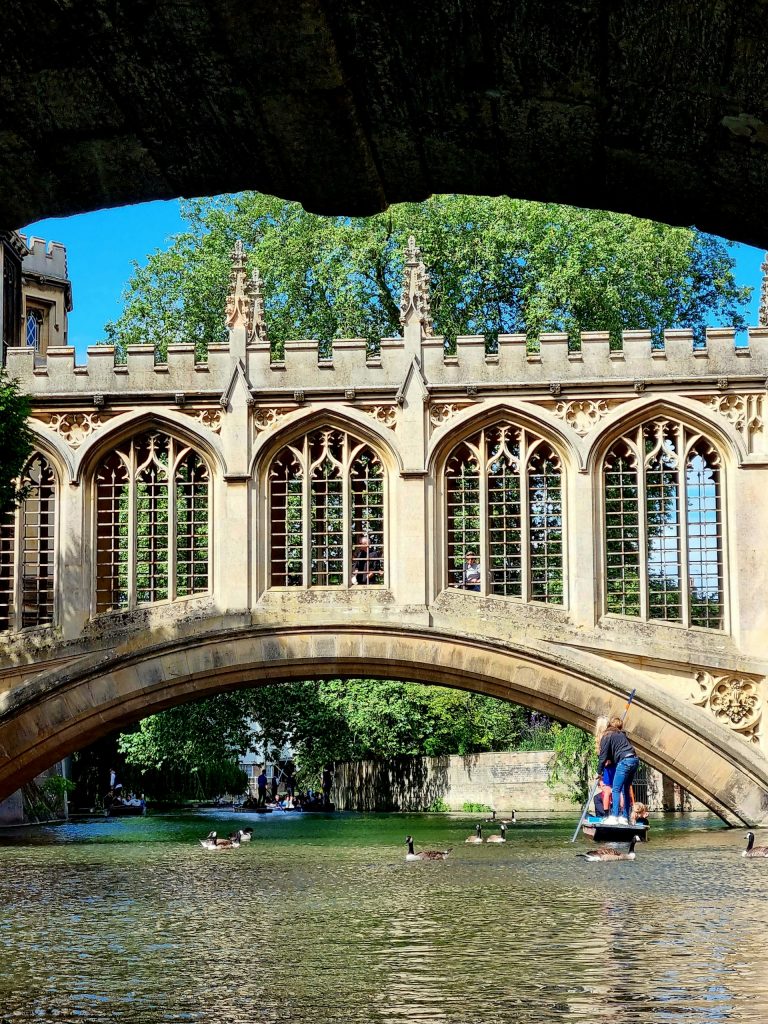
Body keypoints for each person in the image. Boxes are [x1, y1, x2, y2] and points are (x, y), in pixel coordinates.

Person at [597, 716, 639, 823]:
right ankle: (625, 817)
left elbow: (602, 757)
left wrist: (599, 772)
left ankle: (614, 817)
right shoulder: (620, 734)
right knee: (625, 789)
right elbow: (616, 750)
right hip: (634, 760)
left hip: (624, 761)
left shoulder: (606, 736)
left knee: (616, 789)